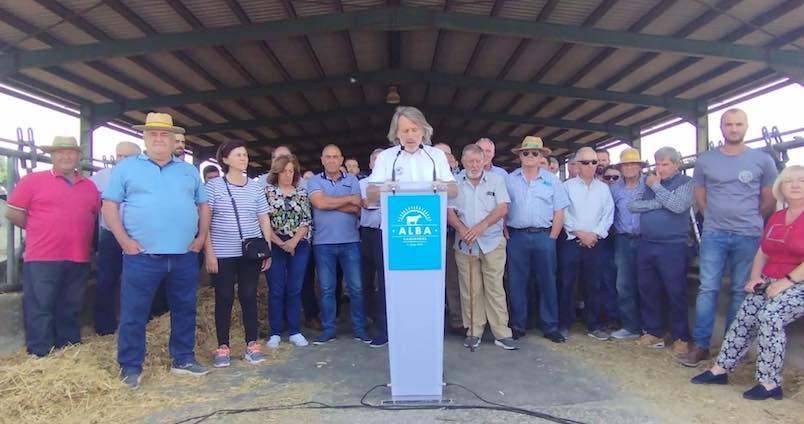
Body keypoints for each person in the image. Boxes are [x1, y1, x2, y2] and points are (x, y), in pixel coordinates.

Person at [102, 112, 211, 389]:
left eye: (164, 134)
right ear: (145, 137)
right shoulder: (126, 169)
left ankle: (183, 359)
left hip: (184, 254)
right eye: (153, 134)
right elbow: (109, 205)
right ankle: (130, 365)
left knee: (185, 308)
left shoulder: (188, 170)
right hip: (142, 256)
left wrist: (200, 238)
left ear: (174, 138)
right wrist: (124, 241)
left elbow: (204, 205)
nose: (159, 139)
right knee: (134, 312)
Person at [691, 165, 804, 401]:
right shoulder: (776, 217)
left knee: (770, 315)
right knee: (745, 314)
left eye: (801, 180)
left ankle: (770, 382)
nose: (795, 185)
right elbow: (763, 251)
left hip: (798, 282)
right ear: (780, 187)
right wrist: (755, 277)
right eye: (789, 181)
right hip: (772, 279)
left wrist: (786, 282)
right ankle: (721, 369)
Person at [682, 108, 779, 367]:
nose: (733, 129)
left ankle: (732, 345)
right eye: (728, 124)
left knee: (739, 290)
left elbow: (769, 199)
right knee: (707, 288)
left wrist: (748, 217)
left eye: (738, 124)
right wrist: (715, 216)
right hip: (714, 233)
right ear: (721, 128)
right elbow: (700, 196)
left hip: (748, 235)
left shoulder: (762, 160)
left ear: (746, 126)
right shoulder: (705, 160)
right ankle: (700, 345)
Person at [367, 106, 457, 347]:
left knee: (426, 291)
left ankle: (427, 338)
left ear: (423, 130)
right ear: (396, 133)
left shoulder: (435, 156)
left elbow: (454, 189)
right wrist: (382, 188)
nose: (409, 135)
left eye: (413, 129)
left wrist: (443, 186)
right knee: (395, 290)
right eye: (404, 130)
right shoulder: (387, 157)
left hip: (429, 236)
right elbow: (370, 194)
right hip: (396, 236)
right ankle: (393, 334)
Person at [6, 136, 100, 357]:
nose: (65, 156)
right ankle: (40, 352)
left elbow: (93, 214)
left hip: (78, 255)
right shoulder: (32, 181)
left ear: (78, 156)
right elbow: (12, 212)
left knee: (71, 304)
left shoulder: (89, 186)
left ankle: (67, 348)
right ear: (52, 156)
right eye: (59, 152)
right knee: (41, 305)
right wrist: (40, 229)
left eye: (70, 152)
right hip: (42, 255)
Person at [204, 140, 272, 368]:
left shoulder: (254, 187)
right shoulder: (213, 187)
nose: (243, 158)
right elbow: (205, 221)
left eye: (244, 155)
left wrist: (267, 249)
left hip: (250, 253)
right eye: (238, 155)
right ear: (225, 159)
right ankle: (222, 347)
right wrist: (209, 253)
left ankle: (252, 345)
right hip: (223, 252)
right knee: (224, 298)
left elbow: (264, 218)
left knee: (248, 296)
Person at [448, 144, 517, 350]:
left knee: (495, 287)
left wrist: (480, 226)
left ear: (484, 161)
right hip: (465, 243)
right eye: (470, 161)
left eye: (478, 160)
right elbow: (448, 210)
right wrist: (462, 229)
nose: (474, 165)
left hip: (492, 241)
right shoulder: (455, 182)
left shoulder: (496, 180)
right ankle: (474, 331)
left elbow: (502, 207)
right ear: (463, 161)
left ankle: (501, 332)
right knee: (470, 289)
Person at [628, 147, 693, 355]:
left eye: (665, 164)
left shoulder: (686, 183)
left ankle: (681, 336)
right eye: (657, 164)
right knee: (648, 288)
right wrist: (660, 202)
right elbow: (632, 205)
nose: (660, 168)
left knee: (675, 291)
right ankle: (653, 331)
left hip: (673, 245)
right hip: (647, 243)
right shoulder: (647, 182)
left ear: (676, 164)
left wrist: (656, 187)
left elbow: (677, 205)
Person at [505, 136, 568, 343]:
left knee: (547, 282)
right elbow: (502, 206)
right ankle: (517, 325)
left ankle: (550, 326)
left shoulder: (553, 181)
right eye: (526, 153)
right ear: (519, 156)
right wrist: (504, 228)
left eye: (534, 153)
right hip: (517, 236)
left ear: (542, 156)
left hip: (543, 236)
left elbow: (559, 211)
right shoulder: (510, 179)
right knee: (516, 282)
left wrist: (552, 237)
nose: (530, 156)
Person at [307, 144, 370, 345]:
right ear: (322, 159)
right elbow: (319, 204)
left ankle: (359, 329)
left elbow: (357, 207)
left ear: (341, 159)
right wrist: (346, 200)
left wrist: (330, 202)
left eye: (335, 157)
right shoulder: (314, 181)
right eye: (328, 157)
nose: (332, 160)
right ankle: (328, 329)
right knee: (326, 288)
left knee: (356, 288)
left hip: (350, 241)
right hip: (323, 243)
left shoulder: (352, 180)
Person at [559, 147, 614, 340]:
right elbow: (563, 212)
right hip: (572, 242)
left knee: (595, 284)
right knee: (566, 283)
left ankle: (594, 325)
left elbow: (608, 215)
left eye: (593, 162)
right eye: (585, 162)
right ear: (576, 165)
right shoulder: (566, 187)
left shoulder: (604, 189)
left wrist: (594, 235)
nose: (590, 166)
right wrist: (579, 233)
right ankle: (564, 323)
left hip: (595, 244)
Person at [91, 141, 142, 335]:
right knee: (106, 279)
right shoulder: (100, 178)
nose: (121, 160)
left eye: (126, 156)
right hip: (110, 234)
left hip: (138, 235)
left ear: (138, 158)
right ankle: (105, 326)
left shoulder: (146, 178)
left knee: (137, 280)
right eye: (119, 155)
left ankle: (138, 321)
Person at [264, 154, 313, 349]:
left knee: (294, 288)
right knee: (276, 289)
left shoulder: (301, 193)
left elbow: (306, 220)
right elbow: (263, 220)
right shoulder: (267, 192)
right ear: (277, 172)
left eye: (291, 171)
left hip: (298, 244)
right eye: (284, 171)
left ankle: (294, 330)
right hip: (274, 244)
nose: (288, 175)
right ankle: (275, 332)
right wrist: (279, 242)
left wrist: (292, 242)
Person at [608, 148, 645, 341]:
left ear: (640, 166)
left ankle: (649, 328)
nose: (629, 167)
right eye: (625, 165)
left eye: (633, 164)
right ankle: (630, 326)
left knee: (647, 283)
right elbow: (609, 213)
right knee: (624, 284)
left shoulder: (649, 185)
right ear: (620, 168)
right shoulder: (615, 189)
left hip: (645, 239)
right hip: (622, 239)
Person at [433, 142, 463, 331]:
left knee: (453, 280)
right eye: (439, 154)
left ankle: (457, 320)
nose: (444, 158)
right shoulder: (422, 177)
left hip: (451, 235)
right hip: (426, 237)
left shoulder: (460, 179)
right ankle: (430, 319)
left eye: (447, 154)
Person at [359, 148, 385, 325]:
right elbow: (367, 203)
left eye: (380, 160)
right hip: (368, 233)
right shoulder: (363, 183)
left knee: (384, 277)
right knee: (366, 277)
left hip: (387, 234)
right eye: (374, 160)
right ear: (370, 164)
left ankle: (385, 314)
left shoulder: (393, 183)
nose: (377, 164)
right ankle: (369, 313)